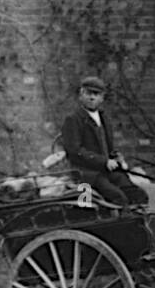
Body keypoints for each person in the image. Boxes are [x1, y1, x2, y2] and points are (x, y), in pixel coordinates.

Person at [61, 76, 148, 206]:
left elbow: (107, 147)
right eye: (88, 93)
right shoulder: (73, 119)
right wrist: (104, 161)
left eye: (96, 94)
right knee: (119, 198)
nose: (92, 97)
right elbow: (74, 150)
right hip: (87, 175)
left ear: (102, 98)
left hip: (107, 172)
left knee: (139, 195)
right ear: (81, 95)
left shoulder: (104, 119)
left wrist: (117, 158)